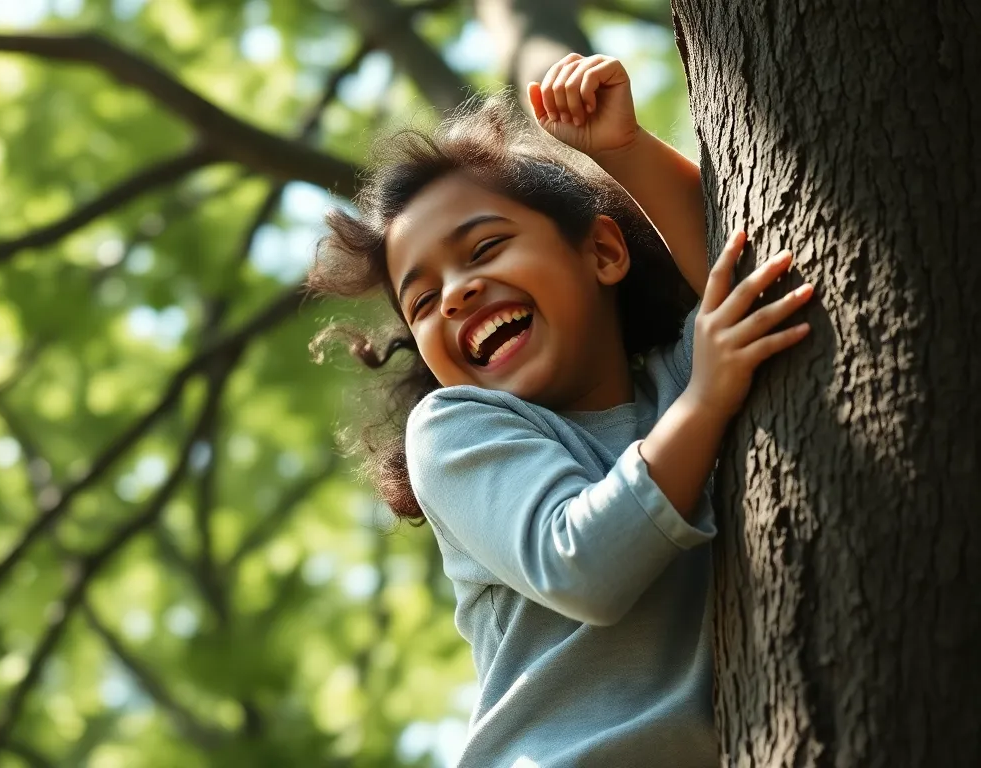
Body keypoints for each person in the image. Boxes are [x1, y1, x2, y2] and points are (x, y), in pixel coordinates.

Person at [307, 53, 814, 767]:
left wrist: (626, 151)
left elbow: (754, 273)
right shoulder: (455, 432)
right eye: (422, 301)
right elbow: (580, 562)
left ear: (603, 252)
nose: (454, 293)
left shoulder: (680, 384)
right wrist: (706, 401)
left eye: (484, 247)